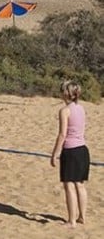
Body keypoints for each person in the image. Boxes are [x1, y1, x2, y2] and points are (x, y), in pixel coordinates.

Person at [50, 80, 89, 228]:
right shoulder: (81, 108)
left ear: (66, 93)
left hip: (71, 151)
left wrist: (55, 153)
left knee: (69, 186)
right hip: (82, 150)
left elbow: (62, 134)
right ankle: (82, 217)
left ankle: (72, 221)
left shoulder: (65, 111)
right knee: (80, 185)